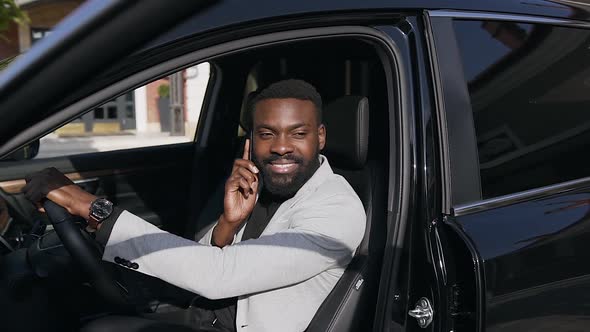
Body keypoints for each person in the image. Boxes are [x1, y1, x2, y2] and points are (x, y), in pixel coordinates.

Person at [23, 79, 366, 332]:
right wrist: (227, 226)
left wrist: (92, 207)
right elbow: (206, 258)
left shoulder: (337, 210)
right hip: (206, 314)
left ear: (320, 136)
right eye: (266, 133)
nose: (280, 147)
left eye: (297, 133)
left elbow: (218, 275)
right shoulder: (262, 184)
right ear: (251, 140)